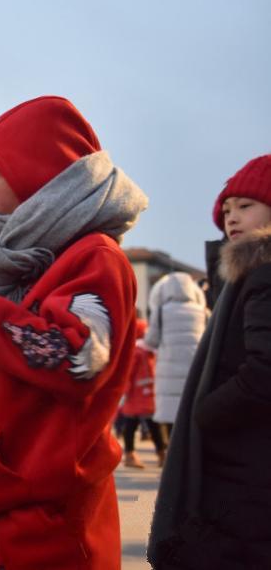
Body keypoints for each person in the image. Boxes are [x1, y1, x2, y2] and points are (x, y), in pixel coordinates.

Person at [0, 96, 147, 569]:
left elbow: (75, 357)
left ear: (36, 171)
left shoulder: (94, 257)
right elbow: (12, 370)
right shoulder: (22, 257)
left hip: (49, 508)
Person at [148, 154, 271, 568]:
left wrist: (207, 411)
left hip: (246, 462)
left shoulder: (263, 275)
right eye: (227, 208)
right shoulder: (250, 272)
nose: (231, 216)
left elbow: (266, 370)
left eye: (246, 205)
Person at [144, 271, 207, 436]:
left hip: (168, 369)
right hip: (195, 368)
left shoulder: (161, 310)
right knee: (191, 413)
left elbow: (151, 341)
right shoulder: (202, 311)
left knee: (172, 417)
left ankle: (173, 454)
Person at [118, 319, 167, 469]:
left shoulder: (137, 350)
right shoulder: (145, 351)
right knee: (153, 424)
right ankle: (161, 453)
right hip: (144, 394)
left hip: (135, 394)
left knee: (131, 424)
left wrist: (124, 392)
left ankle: (130, 454)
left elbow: (127, 374)